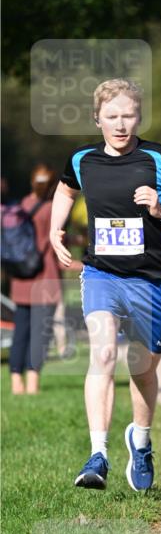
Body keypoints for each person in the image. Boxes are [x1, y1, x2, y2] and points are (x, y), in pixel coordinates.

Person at [50, 78, 161, 492]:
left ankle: (142, 439)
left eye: (129, 116)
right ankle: (97, 454)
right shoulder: (82, 159)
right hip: (102, 273)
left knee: (142, 369)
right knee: (102, 354)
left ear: (139, 117)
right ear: (96, 118)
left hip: (153, 280)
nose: (120, 125)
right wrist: (54, 228)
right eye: (112, 116)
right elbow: (65, 190)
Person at [8, 164, 62, 395]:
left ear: (32, 182)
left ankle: (15, 382)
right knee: (40, 333)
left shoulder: (21, 206)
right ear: (52, 185)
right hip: (45, 276)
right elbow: (58, 243)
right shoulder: (52, 209)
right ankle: (32, 382)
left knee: (20, 331)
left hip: (22, 276)